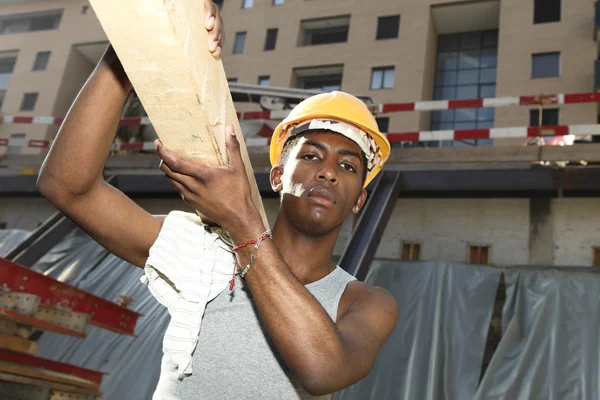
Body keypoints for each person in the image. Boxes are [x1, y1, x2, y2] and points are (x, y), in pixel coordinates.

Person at [37, 1, 398, 398]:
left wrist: (242, 221)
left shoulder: (366, 302)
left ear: (360, 199)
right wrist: (134, 41)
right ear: (277, 176)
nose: (328, 171)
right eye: (311, 156)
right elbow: (67, 187)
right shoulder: (204, 252)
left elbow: (323, 370)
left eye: (347, 167)